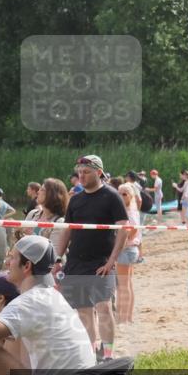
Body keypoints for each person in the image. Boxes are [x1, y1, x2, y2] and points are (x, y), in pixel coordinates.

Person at [0, 236, 95, 375]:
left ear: (27, 266)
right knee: (13, 335)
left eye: (12, 257)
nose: (6, 261)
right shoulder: (51, 296)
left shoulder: (28, 301)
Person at [51, 155, 128, 362]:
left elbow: (123, 229)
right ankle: (92, 355)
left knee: (103, 307)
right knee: (84, 311)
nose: (81, 176)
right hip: (76, 261)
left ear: (99, 172)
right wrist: (58, 258)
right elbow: (68, 230)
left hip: (100, 262)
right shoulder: (75, 199)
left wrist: (112, 261)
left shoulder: (111, 196)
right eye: (79, 173)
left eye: (86, 172)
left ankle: (109, 355)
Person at [114, 182, 142, 325]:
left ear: (131, 196)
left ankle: (122, 317)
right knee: (127, 285)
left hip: (126, 250)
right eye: (119, 193)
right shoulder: (131, 210)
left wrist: (121, 244)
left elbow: (134, 230)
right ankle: (127, 316)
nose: (121, 196)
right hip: (131, 249)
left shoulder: (128, 211)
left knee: (123, 286)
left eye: (124, 194)